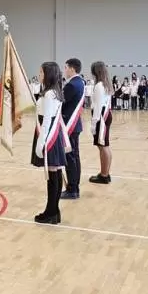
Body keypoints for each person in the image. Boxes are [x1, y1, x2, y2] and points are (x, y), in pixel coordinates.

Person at [30, 62, 68, 225]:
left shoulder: (50, 94)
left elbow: (46, 120)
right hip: (51, 133)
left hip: (48, 135)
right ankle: (54, 211)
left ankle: (51, 212)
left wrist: (41, 142)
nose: (39, 74)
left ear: (48, 74)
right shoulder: (53, 91)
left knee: (53, 174)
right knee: (55, 172)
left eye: (41, 72)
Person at [61, 58, 86, 199]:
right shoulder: (80, 82)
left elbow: (61, 102)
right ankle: (74, 187)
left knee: (70, 158)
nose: (64, 70)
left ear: (72, 68)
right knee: (75, 157)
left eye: (66, 67)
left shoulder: (71, 85)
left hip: (69, 125)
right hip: (75, 124)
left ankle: (72, 189)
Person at [89, 61, 113, 184]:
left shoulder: (99, 85)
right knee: (104, 145)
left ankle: (104, 175)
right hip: (106, 114)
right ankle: (105, 173)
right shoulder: (106, 84)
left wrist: (94, 124)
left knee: (103, 146)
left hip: (101, 117)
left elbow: (98, 106)